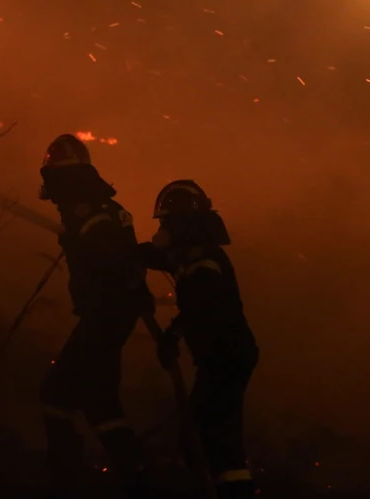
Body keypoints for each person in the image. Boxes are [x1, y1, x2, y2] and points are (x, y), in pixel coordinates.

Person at [37, 133, 155, 498]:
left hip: (104, 316)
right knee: (100, 400)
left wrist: (80, 244)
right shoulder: (96, 206)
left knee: (55, 393)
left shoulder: (87, 208)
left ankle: (65, 479)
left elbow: (111, 261)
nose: (53, 193)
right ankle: (135, 477)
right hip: (111, 315)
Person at [140, 180, 258, 499]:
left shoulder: (204, 264)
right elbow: (156, 256)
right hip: (223, 358)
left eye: (166, 222)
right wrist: (123, 253)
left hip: (225, 359)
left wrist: (172, 336)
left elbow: (200, 307)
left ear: (182, 225)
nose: (162, 228)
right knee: (204, 438)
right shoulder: (192, 254)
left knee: (207, 439)